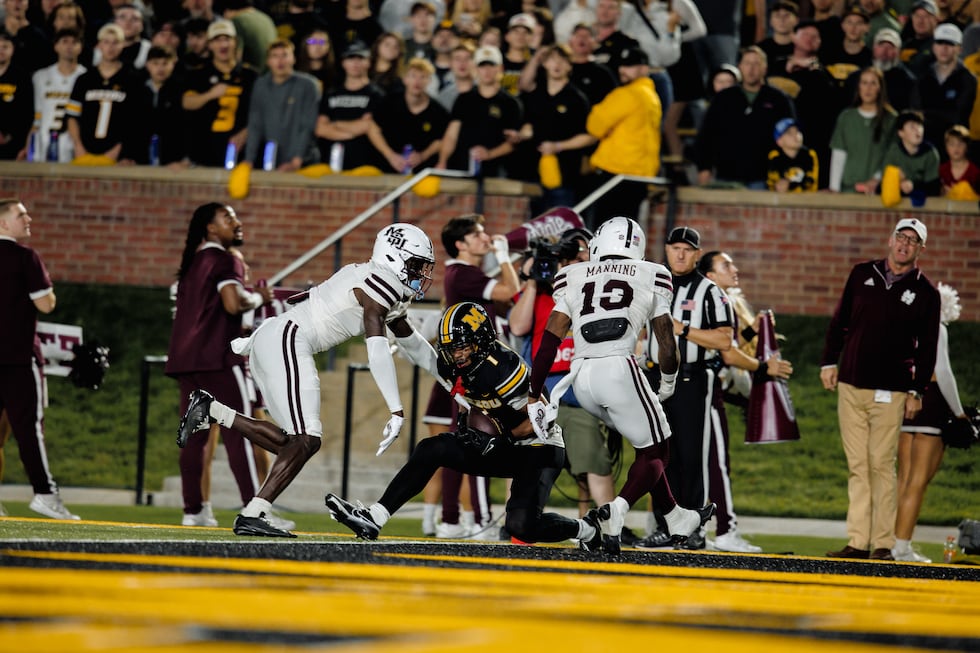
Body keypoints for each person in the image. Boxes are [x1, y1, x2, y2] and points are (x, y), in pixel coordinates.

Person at [179, 224, 439, 537]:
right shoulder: (382, 281)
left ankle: (213, 412)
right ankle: (252, 514)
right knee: (306, 438)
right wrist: (396, 409)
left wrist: (454, 384)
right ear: (394, 257)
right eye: (415, 265)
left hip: (279, 338)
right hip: (288, 338)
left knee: (295, 442)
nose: (419, 274)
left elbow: (415, 347)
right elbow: (377, 348)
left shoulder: (382, 284)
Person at [326, 300, 604, 548]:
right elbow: (423, 355)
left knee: (521, 527)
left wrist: (497, 439)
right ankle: (376, 516)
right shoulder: (459, 365)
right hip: (503, 444)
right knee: (432, 448)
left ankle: (587, 529)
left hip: (538, 447)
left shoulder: (503, 368)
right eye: (450, 348)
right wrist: (397, 320)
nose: (455, 355)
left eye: (461, 346)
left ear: (480, 340)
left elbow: (539, 422)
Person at [527, 217, 716, 555]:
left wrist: (533, 390)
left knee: (647, 448)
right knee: (659, 449)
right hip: (618, 368)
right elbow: (666, 342)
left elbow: (548, 340)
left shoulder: (573, 275)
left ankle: (675, 517)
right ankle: (618, 509)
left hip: (580, 377)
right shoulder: (652, 273)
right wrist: (668, 382)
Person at [821, 217, 941, 561]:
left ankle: (883, 543)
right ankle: (858, 541)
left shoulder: (925, 293)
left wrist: (917, 391)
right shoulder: (862, 274)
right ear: (890, 240)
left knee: (881, 465)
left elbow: (928, 347)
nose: (904, 244)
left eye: (912, 241)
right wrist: (829, 362)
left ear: (920, 249)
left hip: (892, 390)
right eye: (900, 237)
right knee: (858, 465)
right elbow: (839, 321)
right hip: (851, 384)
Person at [166, 203, 275, 528]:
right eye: (228, 218)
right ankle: (255, 511)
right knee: (242, 432)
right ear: (211, 228)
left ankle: (194, 510)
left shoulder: (193, 262)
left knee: (194, 436)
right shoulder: (224, 259)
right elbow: (233, 302)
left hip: (187, 361)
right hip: (219, 358)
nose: (237, 222)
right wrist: (260, 298)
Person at [424, 213, 520, 538]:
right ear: (461, 244)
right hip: (474, 367)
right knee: (482, 438)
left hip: (463, 366)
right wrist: (505, 257)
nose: (485, 238)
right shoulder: (464, 273)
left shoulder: (462, 273)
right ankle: (480, 520)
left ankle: (451, 519)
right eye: (477, 234)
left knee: (462, 439)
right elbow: (509, 290)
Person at [636, 226, 732, 550]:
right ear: (666, 250)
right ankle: (667, 525)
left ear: (696, 254)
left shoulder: (709, 290)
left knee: (691, 455)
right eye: (675, 247)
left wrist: (683, 329)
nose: (680, 254)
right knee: (661, 455)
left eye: (687, 249)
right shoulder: (652, 284)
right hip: (654, 378)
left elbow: (724, 339)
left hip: (691, 379)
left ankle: (694, 528)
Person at [698, 250, 794, 553]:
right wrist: (765, 368)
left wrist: (755, 328)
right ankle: (725, 530)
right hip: (704, 391)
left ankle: (686, 530)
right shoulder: (716, 300)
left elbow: (731, 344)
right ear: (711, 275)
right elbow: (728, 352)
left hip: (694, 389)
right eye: (726, 265)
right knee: (716, 465)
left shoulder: (708, 299)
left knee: (695, 466)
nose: (734, 269)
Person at [0, 199, 79, 521]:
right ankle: (45, 494)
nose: (28, 218)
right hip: (18, 358)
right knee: (29, 430)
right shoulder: (25, 257)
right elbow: (46, 305)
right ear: (4, 223)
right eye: (21, 215)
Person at [893, 282, 973, 562]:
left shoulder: (904, 326)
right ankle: (901, 547)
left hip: (906, 402)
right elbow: (944, 372)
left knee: (903, 480)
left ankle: (891, 542)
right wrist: (960, 413)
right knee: (917, 482)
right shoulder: (937, 328)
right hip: (932, 402)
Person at [694, 46, 796, 189]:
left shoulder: (779, 99)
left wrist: (785, 174)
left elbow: (791, 138)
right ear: (740, 67)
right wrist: (704, 168)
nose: (751, 69)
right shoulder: (724, 98)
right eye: (747, 63)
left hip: (765, 177)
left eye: (756, 64)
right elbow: (707, 135)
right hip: (726, 174)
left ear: (765, 68)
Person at [584, 46, 661, 228]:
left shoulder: (627, 93)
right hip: (638, 175)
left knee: (605, 232)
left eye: (630, 66)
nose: (622, 70)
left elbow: (594, 126)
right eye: (622, 65)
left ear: (644, 69)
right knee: (626, 233)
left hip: (616, 172)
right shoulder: (652, 95)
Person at [516, 44, 594, 213]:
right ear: (544, 64)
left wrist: (558, 146)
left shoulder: (576, 98)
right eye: (552, 60)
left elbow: (589, 136)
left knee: (561, 226)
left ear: (569, 65)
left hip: (564, 174)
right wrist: (522, 134)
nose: (557, 65)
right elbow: (523, 86)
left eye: (562, 61)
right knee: (531, 228)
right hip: (532, 172)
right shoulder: (537, 93)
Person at [436, 45, 523, 179]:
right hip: (461, 169)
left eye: (491, 65)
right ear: (476, 69)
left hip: (496, 173)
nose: (487, 71)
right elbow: (451, 135)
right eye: (482, 66)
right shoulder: (464, 99)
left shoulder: (510, 103)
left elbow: (512, 144)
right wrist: (442, 161)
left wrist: (489, 154)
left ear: (500, 69)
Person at [182, 19, 257, 168]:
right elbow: (186, 103)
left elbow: (263, 112)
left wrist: (247, 132)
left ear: (235, 42)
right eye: (217, 40)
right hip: (205, 150)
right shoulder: (198, 74)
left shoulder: (251, 75)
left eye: (227, 39)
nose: (223, 45)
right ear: (209, 45)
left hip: (240, 151)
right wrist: (210, 94)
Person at [65, 23, 140, 163]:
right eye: (106, 42)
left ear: (123, 45)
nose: (110, 47)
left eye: (115, 42)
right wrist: (78, 147)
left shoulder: (132, 79)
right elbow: (72, 116)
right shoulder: (84, 79)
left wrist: (117, 151)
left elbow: (134, 121)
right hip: (84, 152)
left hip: (116, 156)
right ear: (99, 45)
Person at [243, 38, 320, 172]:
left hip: (305, 161)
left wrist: (297, 160)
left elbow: (307, 125)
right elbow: (255, 124)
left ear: (293, 59)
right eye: (275, 56)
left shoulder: (308, 85)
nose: (280, 61)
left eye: (284, 55)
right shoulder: (261, 85)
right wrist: (249, 160)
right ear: (268, 61)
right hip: (271, 160)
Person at [367, 56, 449, 174]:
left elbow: (441, 140)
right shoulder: (389, 102)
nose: (417, 81)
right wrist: (390, 155)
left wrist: (422, 156)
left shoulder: (438, 111)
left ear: (429, 81)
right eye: (413, 76)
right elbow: (372, 128)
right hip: (387, 169)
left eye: (423, 77)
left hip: (422, 173)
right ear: (404, 79)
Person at [314, 40, 384, 172]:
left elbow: (367, 126)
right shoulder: (331, 94)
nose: (355, 63)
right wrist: (353, 131)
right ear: (343, 63)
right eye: (351, 58)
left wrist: (334, 124)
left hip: (365, 165)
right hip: (330, 163)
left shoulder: (377, 95)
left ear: (368, 62)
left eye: (360, 58)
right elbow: (320, 128)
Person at [829, 66, 897, 194]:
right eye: (864, 83)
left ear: (880, 88)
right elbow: (838, 154)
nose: (868, 88)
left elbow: (894, 156)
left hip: (878, 190)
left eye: (873, 83)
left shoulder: (891, 119)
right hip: (848, 188)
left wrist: (877, 179)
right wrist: (834, 188)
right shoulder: (846, 117)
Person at [918, 23, 976, 155]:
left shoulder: (968, 79)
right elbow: (916, 111)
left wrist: (928, 113)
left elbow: (958, 115)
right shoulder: (923, 76)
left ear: (959, 49)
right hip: (926, 145)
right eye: (940, 43)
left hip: (956, 149)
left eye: (950, 44)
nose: (944, 48)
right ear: (933, 47)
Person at [132, 44, 189, 167]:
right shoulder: (137, 91)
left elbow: (185, 128)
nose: (160, 68)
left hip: (173, 161)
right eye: (156, 63)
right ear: (147, 65)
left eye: (165, 63)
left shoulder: (181, 91)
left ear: (173, 64)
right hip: (140, 160)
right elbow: (131, 126)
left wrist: (184, 158)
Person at [880, 109, 941, 198]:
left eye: (920, 126)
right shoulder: (893, 152)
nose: (918, 130)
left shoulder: (930, 153)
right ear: (901, 133)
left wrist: (913, 185)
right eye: (912, 127)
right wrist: (898, 182)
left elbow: (934, 188)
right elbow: (884, 182)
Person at [0, 28, 33, 161]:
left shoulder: (22, 77)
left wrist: (12, 138)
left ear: (13, 49)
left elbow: (26, 114)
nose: (1, 50)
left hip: (13, 145)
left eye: (5, 46)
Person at [767, 117, 819, 192]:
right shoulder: (775, 156)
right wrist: (780, 185)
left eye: (797, 131)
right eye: (789, 133)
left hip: (807, 201)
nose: (796, 135)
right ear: (779, 141)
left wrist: (790, 185)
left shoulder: (810, 155)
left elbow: (811, 181)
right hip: (782, 201)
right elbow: (773, 182)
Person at [940, 124, 980, 198]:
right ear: (946, 147)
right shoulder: (942, 170)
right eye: (952, 144)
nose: (956, 147)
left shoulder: (975, 172)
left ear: (967, 146)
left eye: (960, 143)